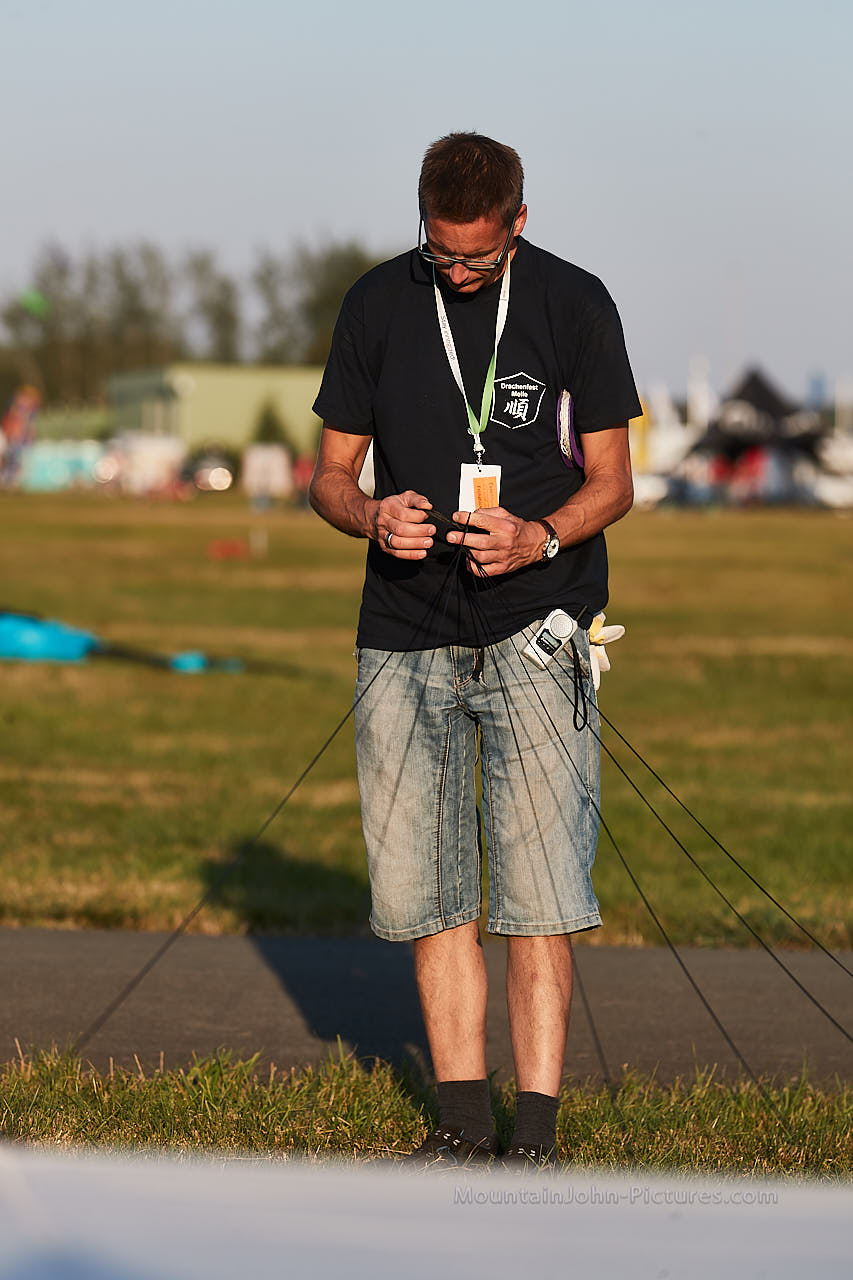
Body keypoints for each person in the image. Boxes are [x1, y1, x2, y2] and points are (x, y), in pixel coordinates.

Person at [309, 132, 641, 1167]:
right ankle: (460, 1125)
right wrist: (369, 516)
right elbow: (328, 475)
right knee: (429, 893)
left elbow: (613, 481)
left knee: (538, 897)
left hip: (538, 630)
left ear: (518, 224)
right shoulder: (375, 301)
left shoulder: (575, 302)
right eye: (439, 252)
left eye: (477, 257)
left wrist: (539, 536)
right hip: (401, 637)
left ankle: (533, 1135)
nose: (455, 272)